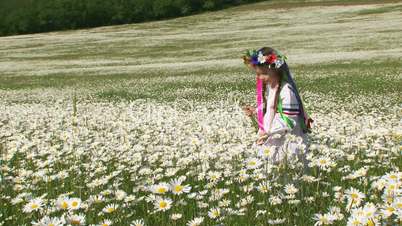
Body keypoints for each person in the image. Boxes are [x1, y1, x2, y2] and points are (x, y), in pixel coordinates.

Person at [242, 47, 313, 164]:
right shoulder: (274, 87)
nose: (260, 78)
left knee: (288, 173)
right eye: (258, 74)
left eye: (263, 74)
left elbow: (289, 121)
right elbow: (272, 108)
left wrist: (268, 133)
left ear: (276, 71)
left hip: (288, 146)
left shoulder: (287, 91)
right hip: (277, 143)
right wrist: (257, 111)